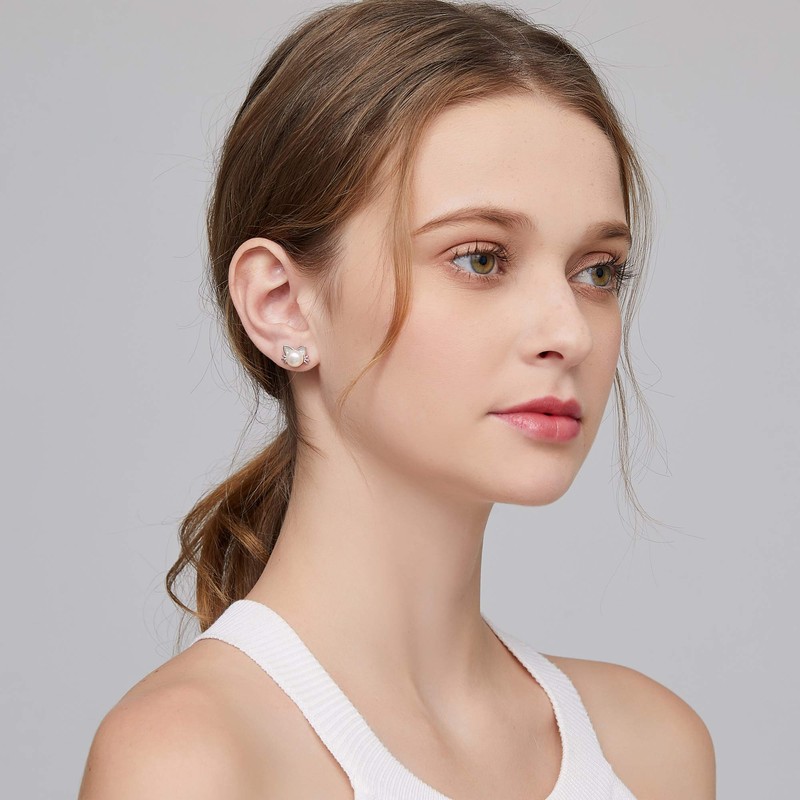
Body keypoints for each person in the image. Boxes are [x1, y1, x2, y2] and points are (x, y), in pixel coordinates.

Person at [78, 1, 716, 797]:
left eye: (597, 271)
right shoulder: (194, 761)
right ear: (282, 303)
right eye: (481, 258)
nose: (570, 332)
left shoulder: (652, 751)